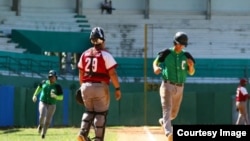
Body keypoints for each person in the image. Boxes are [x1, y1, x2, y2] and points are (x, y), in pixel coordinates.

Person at [76, 27, 121, 141]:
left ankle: (83, 133)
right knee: (100, 114)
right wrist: (117, 88)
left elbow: (81, 72)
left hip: (86, 86)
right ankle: (98, 138)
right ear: (103, 40)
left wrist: (82, 87)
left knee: (89, 111)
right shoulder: (105, 55)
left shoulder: (84, 54)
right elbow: (113, 73)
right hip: (100, 86)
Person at [152, 31, 195, 141]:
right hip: (167, 85)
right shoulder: (166, 53)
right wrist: (156, 68)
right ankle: (168, 132)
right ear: (175, 43)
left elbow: (191, 72)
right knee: (167, 108)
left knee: (174, 113)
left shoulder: (187, 56)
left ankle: (163, 121)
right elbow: (155, 62)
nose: (181, 46)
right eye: (179, 44)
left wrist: (190, 66)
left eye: (183, 44)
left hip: (180, 86)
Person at [32, 70, 64, 139]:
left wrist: (55, 96)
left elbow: (61, 97)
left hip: (52, 104)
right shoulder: (44, 82)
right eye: (50, 77)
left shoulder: (57, 86)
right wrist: (35, 95)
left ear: (56, 77)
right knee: (42, 114)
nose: (51, 78)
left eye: (53, 77)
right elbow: (39, 88)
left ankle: (44, 133)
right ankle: (40, 125)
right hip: (43, 102)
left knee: (48, 120)